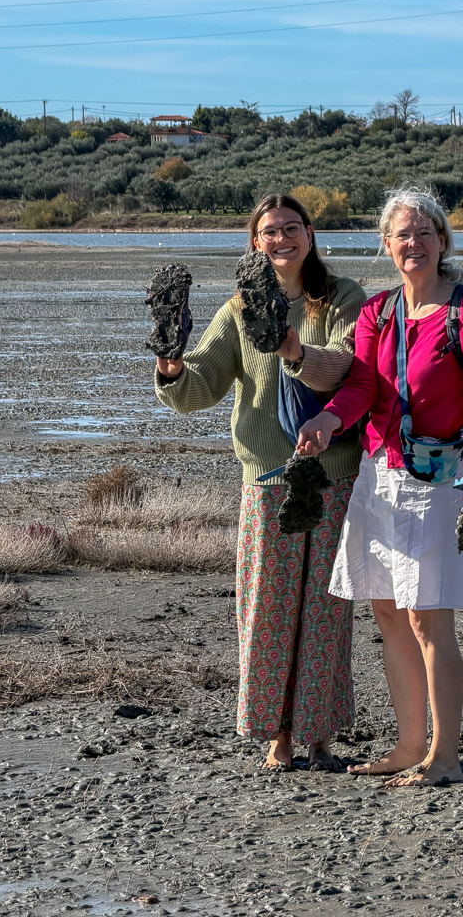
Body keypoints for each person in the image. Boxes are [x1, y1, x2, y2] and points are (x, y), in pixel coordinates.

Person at [297, 183, 463, 787]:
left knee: (429, 622)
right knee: (390, 616)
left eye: (424, 232)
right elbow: (363, 386)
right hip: (379, 476)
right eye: (402, 235)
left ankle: (445, 758)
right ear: (387, 246)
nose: (413, 242)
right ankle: (409, 744)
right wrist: (328, 420)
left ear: (442, 241)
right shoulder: (378, 312)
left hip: (438, 482)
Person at [154, 193, 365, 771]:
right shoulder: (237, 310)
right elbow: (200, 386)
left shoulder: (342, 297)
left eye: (292, 228)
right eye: (270, 231)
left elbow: (347, 367)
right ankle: (278, 735)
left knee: (326, 610)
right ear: (255, 242)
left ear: (310, 234)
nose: (281, 239)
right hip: (267, 479)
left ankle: (319, 736)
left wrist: (292, 347)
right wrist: (170, 363)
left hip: (332, 477)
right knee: (266, 610)